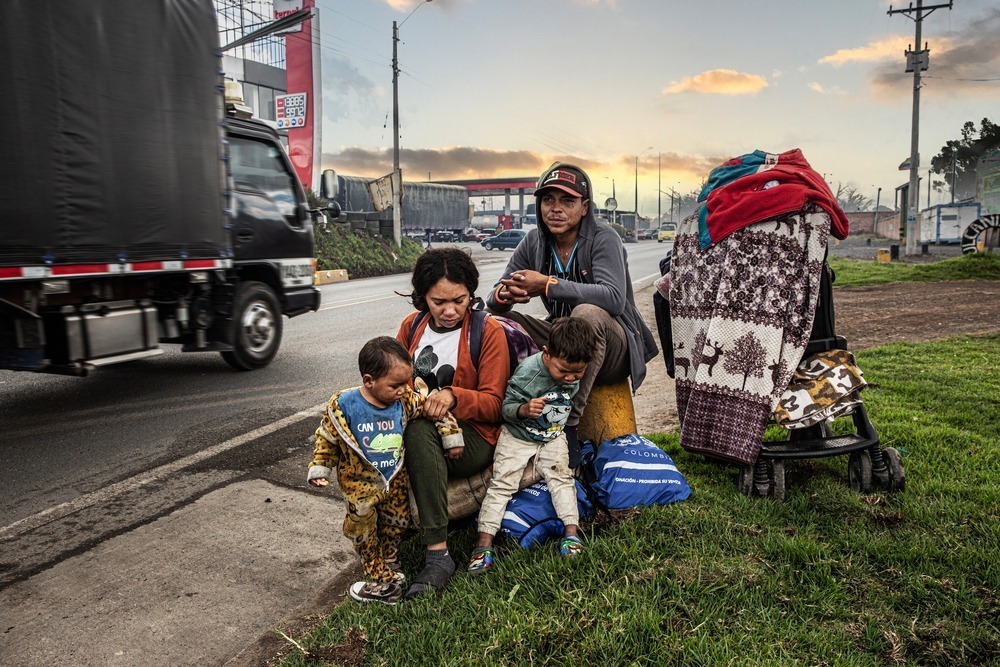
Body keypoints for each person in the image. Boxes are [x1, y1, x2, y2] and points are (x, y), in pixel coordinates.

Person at [486, 163, 658, 466]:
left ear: (584, 207)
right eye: (548, 200)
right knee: (495, 321)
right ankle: (505, 410)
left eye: (567, 201)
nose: (556, 209)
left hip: (611, 346)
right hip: (561, 341)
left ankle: (567, 426)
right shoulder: (534, 241)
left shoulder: (603, 238)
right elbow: (496, 293)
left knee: (587, 313)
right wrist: (503, 296)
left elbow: (614, 299)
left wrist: (549, 285)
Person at [307, 336, 463, 605]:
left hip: (394, 481)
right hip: (360, 485)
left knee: (395, 524)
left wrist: (451, 437)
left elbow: (435, 411)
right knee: (363, 529)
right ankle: (377, 572)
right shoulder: (344, 406)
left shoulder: (404, 401)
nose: (404, 389)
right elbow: (326, 438)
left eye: (407, 382)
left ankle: (390, 557)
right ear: (369, 381)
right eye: (396, 385)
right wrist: (320, 467)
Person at [396, 248, 510, 599]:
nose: (449, 310)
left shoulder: (488, 332)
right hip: (420, 429)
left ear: (471, 294)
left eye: (459, 300)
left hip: (473, 438)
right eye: (438, 301)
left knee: (419, 432)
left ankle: (438, 556)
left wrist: (453, 396)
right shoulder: (410, 327)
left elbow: (495, 404)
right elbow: (395, 381)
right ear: (422, 298)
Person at [467, 317, 596, 573]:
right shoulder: (528, 373)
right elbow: (506, 409)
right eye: (564, 371)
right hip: (518, 434)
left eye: (578, 372)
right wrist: (524, 409)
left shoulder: (573, 368)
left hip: (552, 434)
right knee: (503, 484)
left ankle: (571, 534)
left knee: (562, 478)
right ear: (546, 354)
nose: (571, 378)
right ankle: (483, 544)